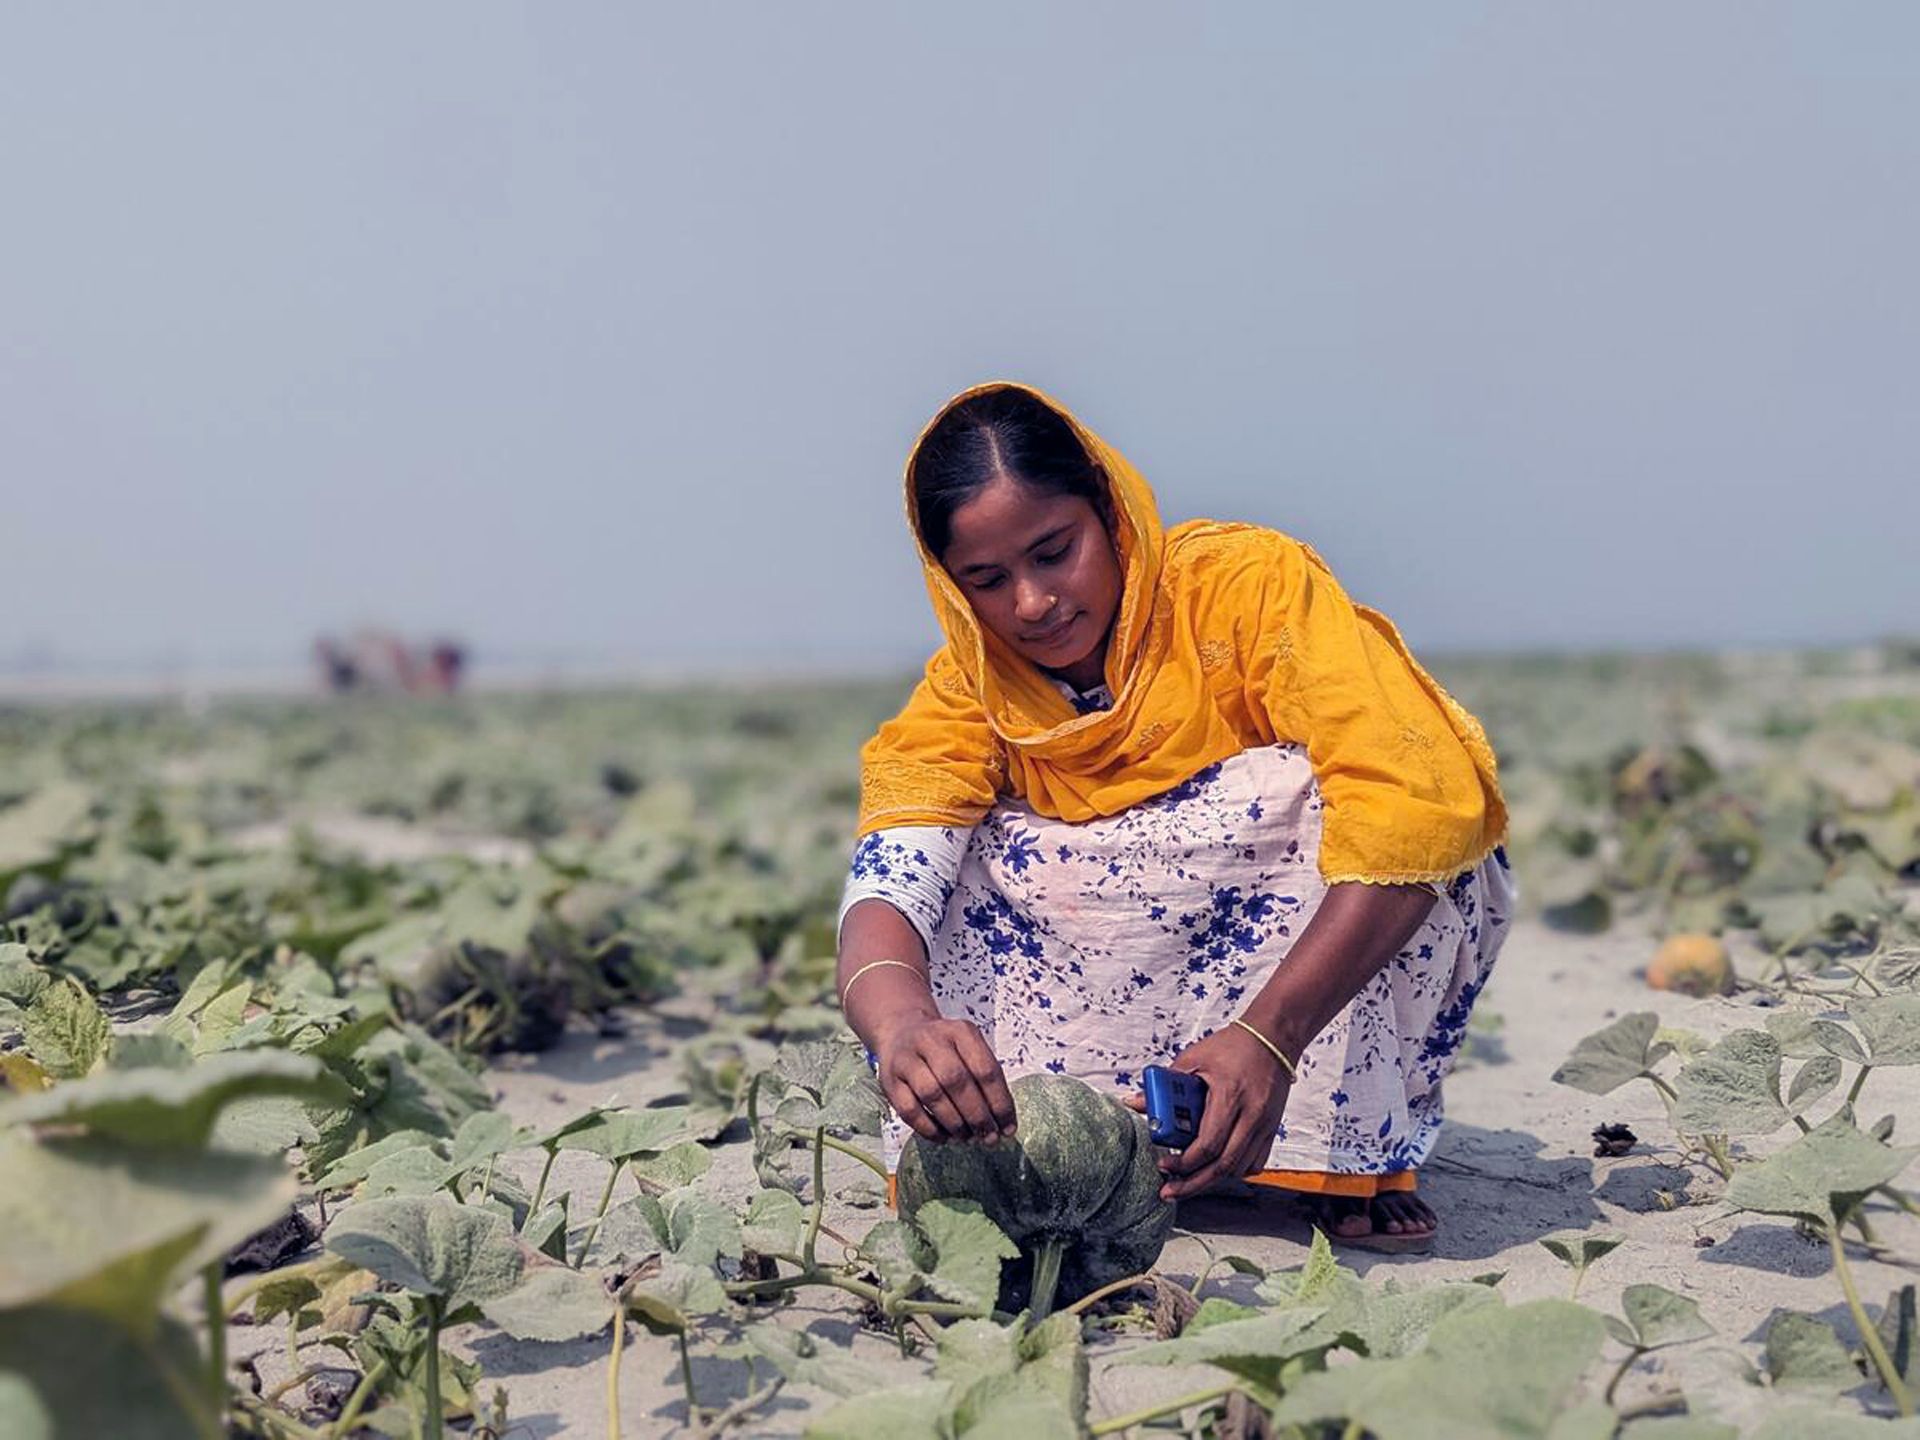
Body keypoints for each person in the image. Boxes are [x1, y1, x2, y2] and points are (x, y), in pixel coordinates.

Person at [835, 382, 1515, 1253]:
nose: (1034, 603)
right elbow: (891, 879)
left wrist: (1268, 1043)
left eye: (1054, 552)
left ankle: (1338, 1152)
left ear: (1110, 514)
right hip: (1113, 971)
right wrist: (902, 1028)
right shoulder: (970, 689)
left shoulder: (1247, 589)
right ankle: (1087, 1151)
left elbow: (1415, 799)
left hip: (1291, 996)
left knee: (1328, 798)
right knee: (967, 846)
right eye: (989, 580)